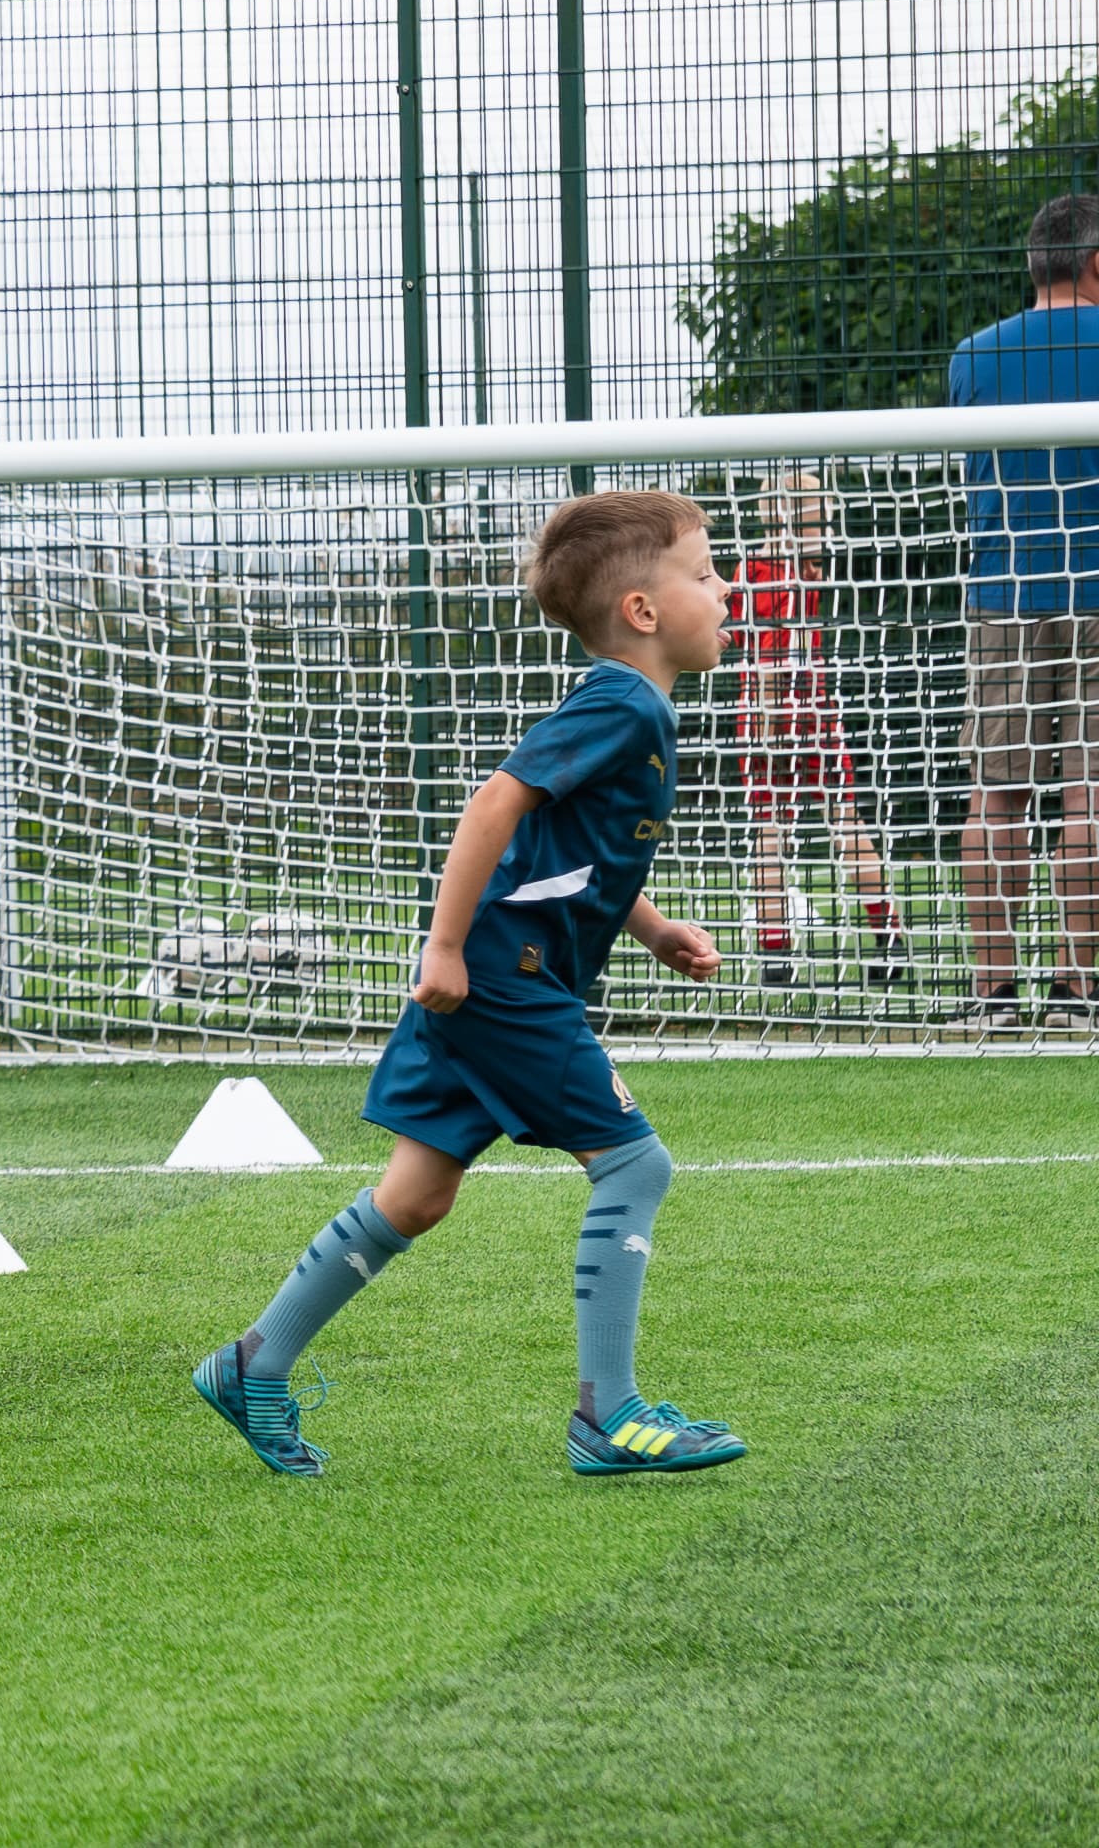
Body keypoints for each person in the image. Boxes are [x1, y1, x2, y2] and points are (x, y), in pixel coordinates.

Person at [195, 490, 746, 1481]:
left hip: (492, 976)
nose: (726, 590)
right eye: (705, 575)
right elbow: (496, 805)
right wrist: (443, 948)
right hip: (503, 980)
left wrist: (654, 928)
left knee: (415, 1197)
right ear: (642, 611)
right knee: (635, 1167)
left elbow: (570, 851)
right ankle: (609, 1414)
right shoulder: (623, 703)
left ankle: (253, 1363)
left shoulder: (637, 709)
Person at [947, 193, 1099, 1029]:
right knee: (1089, 793)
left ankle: (994, 992)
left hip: (1004, 596)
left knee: (998, 795)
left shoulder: (973, 356)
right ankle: (1076, 991)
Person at [729, 472, 905, 992]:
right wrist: (772, 716)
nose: (826, 533)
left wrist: (763, 718)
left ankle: (776, 955)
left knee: (772, 830)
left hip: (768, 709)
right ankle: (888, 938)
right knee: (840, 820)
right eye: (820, 522)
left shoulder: (753, 571)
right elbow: (775, 651)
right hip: (798, 707)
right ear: (792, 521)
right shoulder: (790, 575)